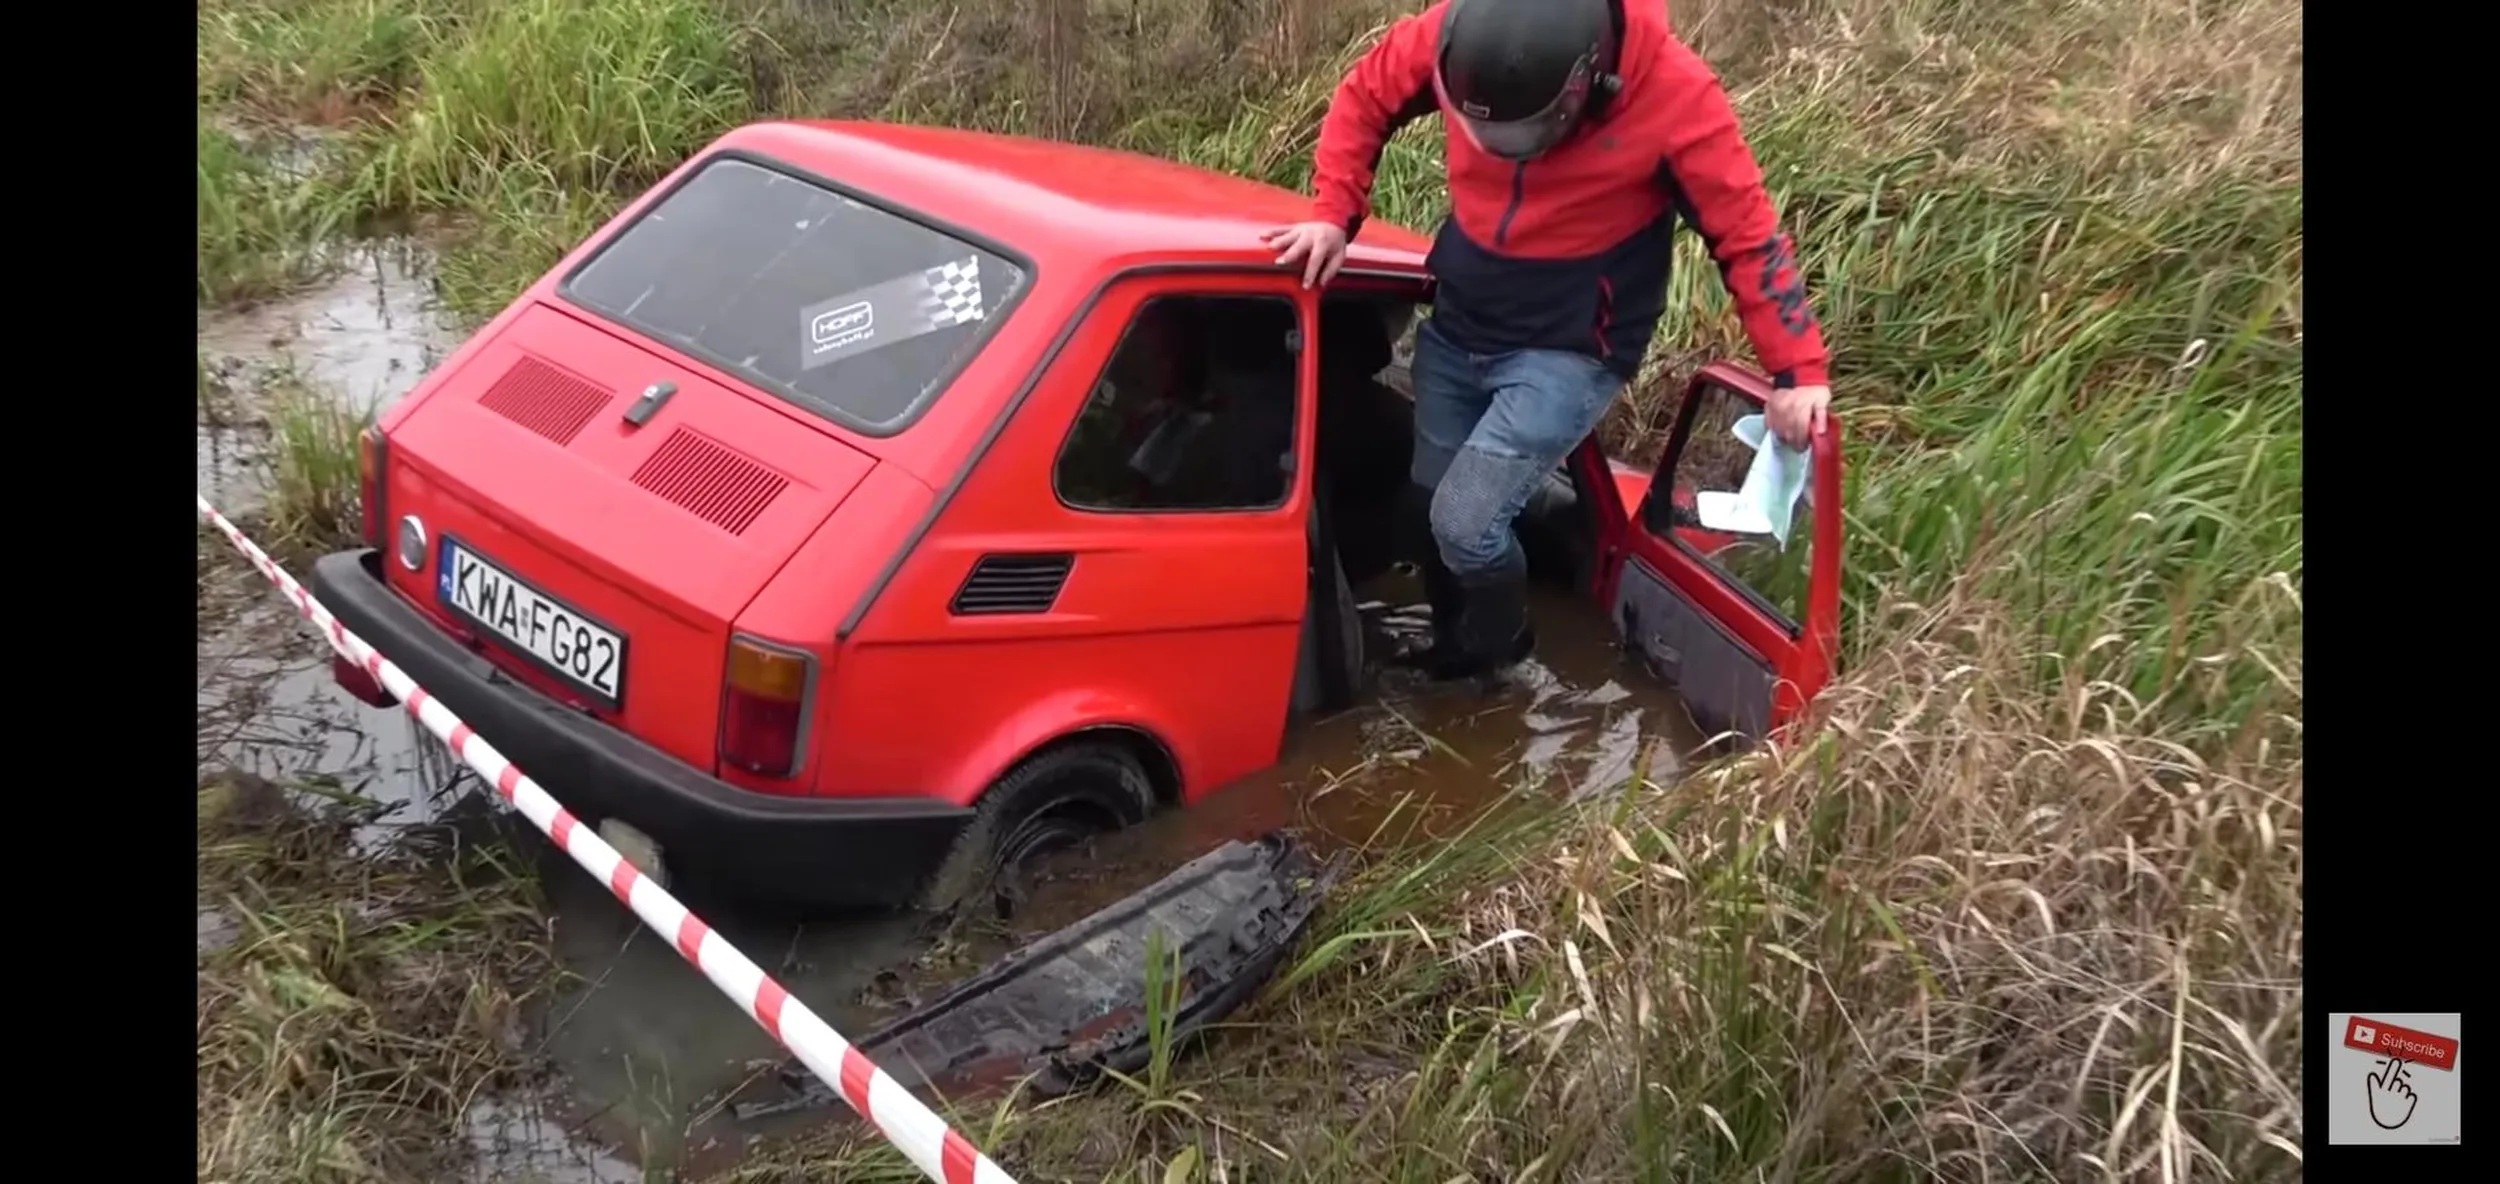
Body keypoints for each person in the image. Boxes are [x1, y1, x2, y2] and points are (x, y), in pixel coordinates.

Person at [1263, 0, 1835, 682]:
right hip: (1462, 318)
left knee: (1466, 522)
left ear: (1585, 84)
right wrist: (1333, 213)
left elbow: (1748, 238)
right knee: (1431, 506)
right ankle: (1457, 651)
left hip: (1570, 346)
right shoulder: (1454, 32)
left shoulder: (1676, 97)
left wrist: (1798, 370)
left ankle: (1501, 645)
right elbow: (1365, 95)